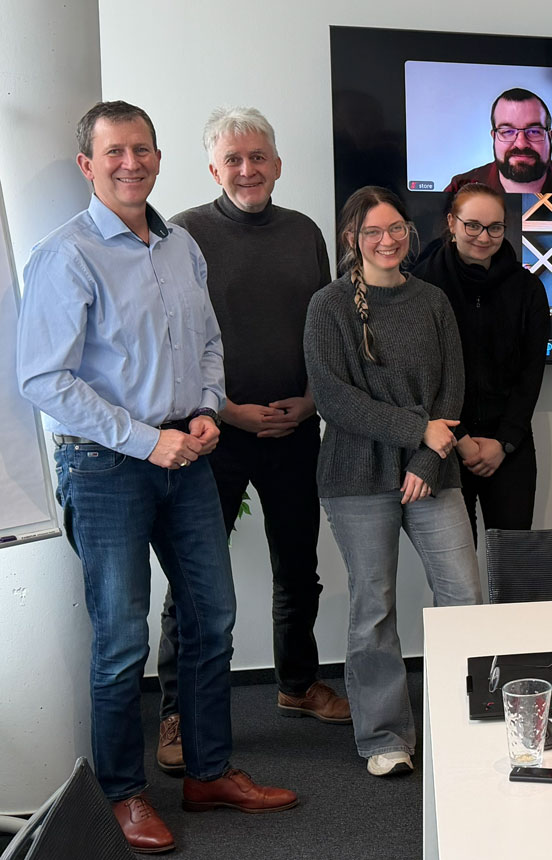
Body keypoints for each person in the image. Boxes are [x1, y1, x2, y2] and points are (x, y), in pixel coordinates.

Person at [16, 100, 297, 854]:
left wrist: (206, 409)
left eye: (141, 149)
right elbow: (43, 377)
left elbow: (207, 342)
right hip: (106, 465)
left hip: (187, 455)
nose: (130, 163)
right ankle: (122, 795)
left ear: (159, 157)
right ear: (88, 164)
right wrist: (147, 442)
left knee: (212, 618)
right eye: (114, 152)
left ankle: (208, 774)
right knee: (120, 640)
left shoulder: (179, 246)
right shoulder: (66, 254)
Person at [156, 107, 348, 778]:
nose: (247, 170)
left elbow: (327, 328)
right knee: (192, 580)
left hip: (295, 429)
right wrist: (228, 411)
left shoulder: (304, 232)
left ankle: (297, 684)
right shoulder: (182, 233)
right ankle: (176, 712)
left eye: (258, 156)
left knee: (298, 567)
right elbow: (171, 338)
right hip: (215, 434)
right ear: (214, 169)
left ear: (277, 163)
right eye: (233, 159)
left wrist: (313, 398)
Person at [303, 186, 484, 777]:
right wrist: (416, 431)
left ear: (410, 231)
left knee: (464, 596)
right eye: (373, 231)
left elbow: (452, 389)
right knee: (374, 607)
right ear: (352, 238)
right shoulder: (328, 306)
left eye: (396, 228)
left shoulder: (431, 300)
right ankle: (385, 737)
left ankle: (468, 721)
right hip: (357, 478)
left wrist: (427, 459)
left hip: (433, 472)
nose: (387, 240)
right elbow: (333, 398)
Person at [410, 183, 549, 537]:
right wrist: (463, 440)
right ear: (451, 223)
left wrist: (503, 442)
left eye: (494, 227)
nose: (484, 237)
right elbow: (421, 374)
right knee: (456, 566)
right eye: (472, 225)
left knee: (514, 558)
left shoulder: (528, 288)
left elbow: (531, 373)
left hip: (508, 444)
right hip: (443, 443)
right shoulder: (422, 285)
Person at [444, 88, 552, 196]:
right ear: (494, 136)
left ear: (549, 137)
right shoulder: (460, 188)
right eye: (507, 131)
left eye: (534, 131)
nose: (521, 143)